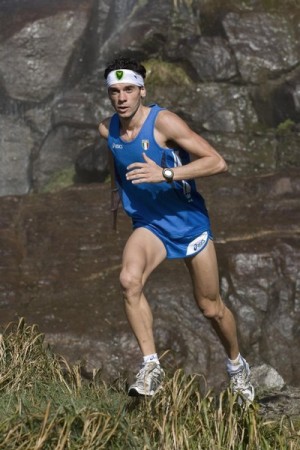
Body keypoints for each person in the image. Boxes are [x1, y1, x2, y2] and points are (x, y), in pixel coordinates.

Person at [99, 56, 255, 403]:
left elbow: (216, 161)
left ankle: (236, 364)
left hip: (189, 225)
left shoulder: (164, 122)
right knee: (129, 280)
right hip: (149, 225)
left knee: (210, 307)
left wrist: (165, 174)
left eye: (128, 89)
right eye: (114, 91)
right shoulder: (107, 128)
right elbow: (114, 154)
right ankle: (151, 366)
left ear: (142, 90)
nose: (121, 97)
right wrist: (114, 192)